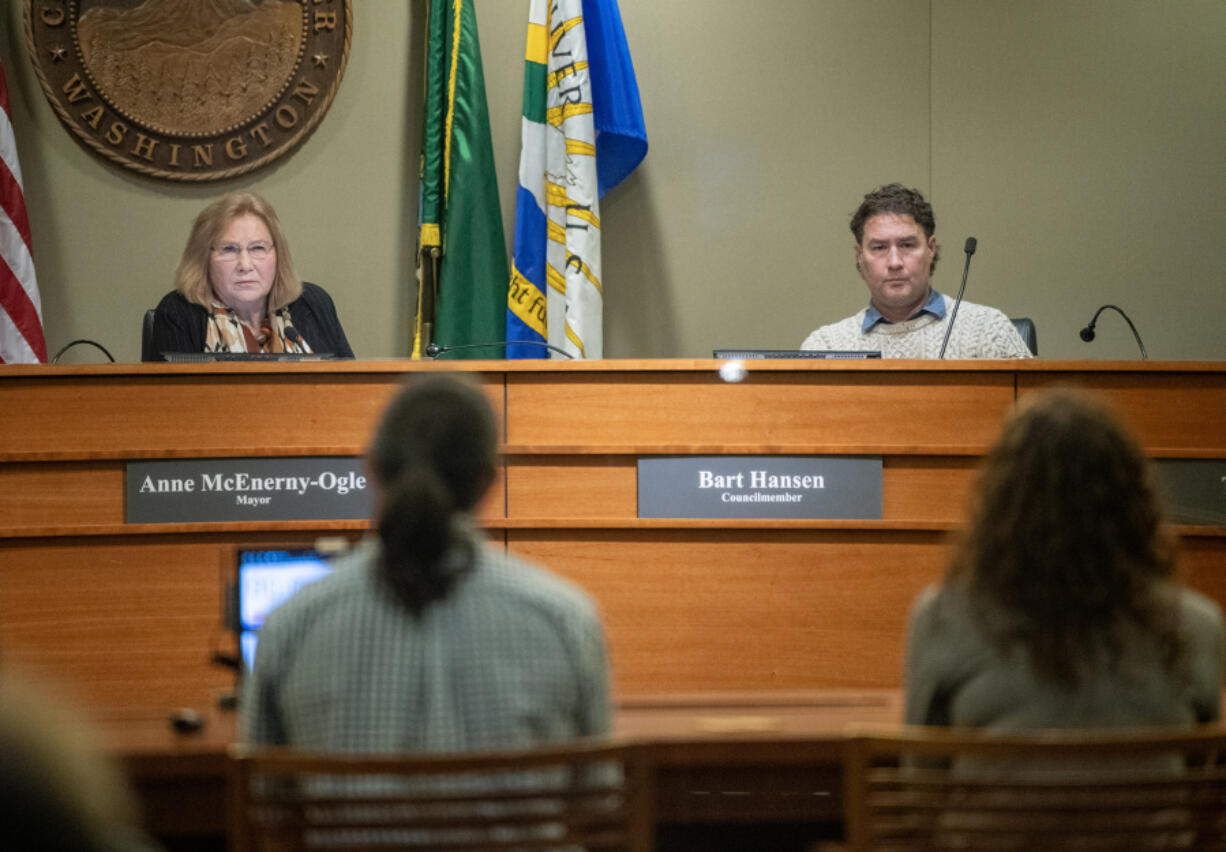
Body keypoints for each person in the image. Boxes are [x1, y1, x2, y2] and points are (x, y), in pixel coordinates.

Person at [239, 373, 610, 753]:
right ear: (488, 483)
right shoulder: (564, 620)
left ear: (372, 468)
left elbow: (261, 801)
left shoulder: (291, 627)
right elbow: (600, 795)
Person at [905, 388, 1223, 730]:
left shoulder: (942, 620)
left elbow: (920, 775)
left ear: (1002, 504)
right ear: (1133, 504)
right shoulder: (1196, 628)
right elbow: (1205, 775)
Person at [801, 183, 1032, 358]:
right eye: (879, 248)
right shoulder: (826, 346)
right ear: (860, 256)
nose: (894, 262)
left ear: (930, 249)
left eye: (907, 245)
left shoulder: (989, 331)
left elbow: (1036, 420)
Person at [151, 191, 354, 359]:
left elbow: (352, 388)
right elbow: (171, 403)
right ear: (203, 258)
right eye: (229, 249)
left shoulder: (313, 303)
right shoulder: (179, 313)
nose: (245, 265)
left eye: (257, 248)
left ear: (277, 254)